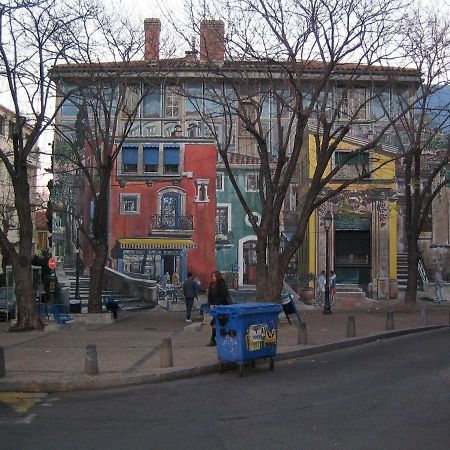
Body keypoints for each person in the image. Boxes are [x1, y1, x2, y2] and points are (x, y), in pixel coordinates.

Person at [207, 270, 229, 346]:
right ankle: (214, 340)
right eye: (212, 276)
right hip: (215, 308)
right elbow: (209, 295)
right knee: (216, 323)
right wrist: (210, 304)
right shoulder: (211, 284)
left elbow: (223, 296)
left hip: (222, 307)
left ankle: (215, 339)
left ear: (218, 276)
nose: (213, 278)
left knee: (218, 323)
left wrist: (216, 304)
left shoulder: (222, 284)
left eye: (214, 276)